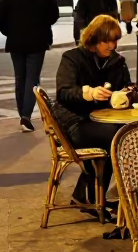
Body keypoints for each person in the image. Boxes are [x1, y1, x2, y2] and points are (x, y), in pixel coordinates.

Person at [54, 14, 131, 206]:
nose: (112, 46)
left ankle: (89, 196)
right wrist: (89, 93)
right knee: (116, 137)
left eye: (115, 40)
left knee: (129, 133)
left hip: (103, 120)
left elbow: (129, 88)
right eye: (107, 41)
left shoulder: (117, 62)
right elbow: (64, 92)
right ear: (94, 38)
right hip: (74, 121)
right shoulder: (72, 58)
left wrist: (123, 96)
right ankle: (98, 197)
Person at [0, 0, 59, 132]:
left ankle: (22, 113)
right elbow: (54, 15)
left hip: (16, 40)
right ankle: (26, 116)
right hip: (37, 40)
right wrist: (43, 25)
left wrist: (10, 31)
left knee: (20, 78)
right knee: (32, 78)